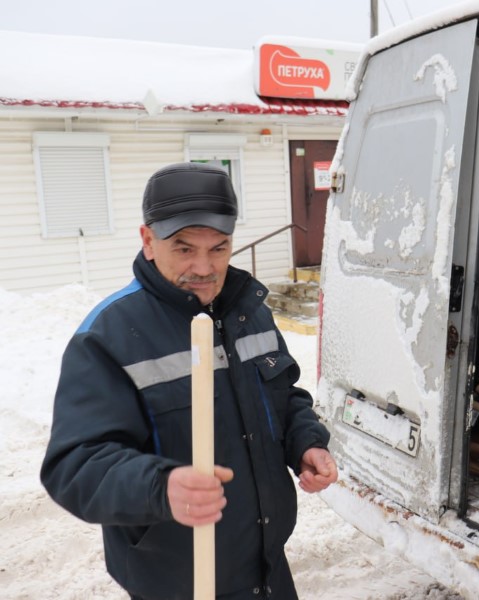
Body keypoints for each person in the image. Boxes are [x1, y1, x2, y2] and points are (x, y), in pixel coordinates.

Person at [41, 162, 338, 599]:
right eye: (183, 248)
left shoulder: (249, 311)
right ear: (148, 241)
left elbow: (284, 396)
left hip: (268, 571)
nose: (204, 267)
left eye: (219, 248)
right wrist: (160, 488)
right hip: (176, 583)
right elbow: (75, 466)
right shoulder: (108, 336)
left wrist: (305, 442)